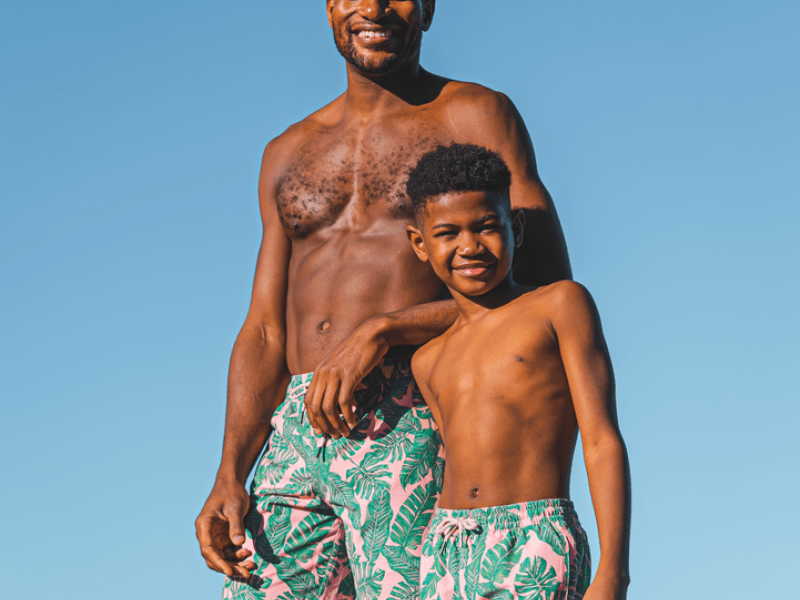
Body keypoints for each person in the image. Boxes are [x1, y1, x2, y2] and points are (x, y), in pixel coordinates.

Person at [195, 1, 572, 598]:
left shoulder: (476, 113)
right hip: (294, 430)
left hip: (411, 412)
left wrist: (384, 329)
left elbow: (545, 295)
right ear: (328, 9)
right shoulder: (284, 152)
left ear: (427, 9)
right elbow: (264, 330)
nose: (373, 7)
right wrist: (229, 471)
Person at [405, 144, 631, 599]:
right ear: (420, 244)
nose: (470, 246)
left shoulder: (560, 305)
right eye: (448, 233)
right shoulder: (426, 359)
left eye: (487, 227)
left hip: (533, 539)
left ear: (517, 227)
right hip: (443, 549)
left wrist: (613, 571)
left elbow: (602, 440)